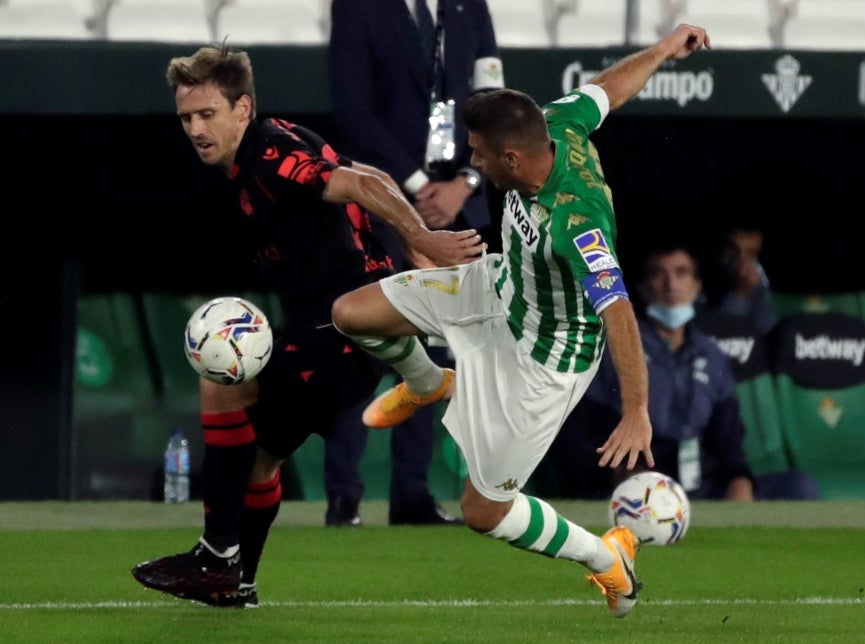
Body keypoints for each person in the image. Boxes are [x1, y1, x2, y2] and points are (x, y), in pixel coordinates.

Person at [330, 24, 713, 618]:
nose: (471, 162)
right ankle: (430, 382)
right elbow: (606, 91)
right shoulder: (556, 121)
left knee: (483, 512)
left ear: (511, 157)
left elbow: (619, 314)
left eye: (479, 153)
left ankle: (605, 558)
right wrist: (663, 50)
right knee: (350, 313)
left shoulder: (577, 221)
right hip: (495, 286)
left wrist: (637, 412)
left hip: (543, 362)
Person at [131, 43, 483, 608]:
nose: (196, 129)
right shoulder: (279, 136)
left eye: (207, 114)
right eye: (187, 118)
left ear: (242, 109)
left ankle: (218, 557)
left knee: (223, 383)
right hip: (338, 332)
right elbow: (366, 173)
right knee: (258, 456)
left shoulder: (269, 159)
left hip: (338, 336)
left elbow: (362, 185)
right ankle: (234, 580)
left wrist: (421, 240)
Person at [325, 0, 506, 526]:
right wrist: (417, 189)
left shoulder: (469, 7)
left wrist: (466, 183)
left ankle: (412, 493)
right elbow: (353, 110)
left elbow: (495, 104)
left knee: (440, 344)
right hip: (383, 202)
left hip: (457, 203)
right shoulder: (358, 7)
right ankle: (344, 495)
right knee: (367, 343)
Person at [544, 242, 819, 501]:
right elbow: (581, 430)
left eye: (681, 273)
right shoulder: (617, 347)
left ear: (697, 286)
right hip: (635, 480)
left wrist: (739, 477)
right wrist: (620, 473)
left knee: (799, 486)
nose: (671, 285)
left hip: (700, 482)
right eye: (658, 274)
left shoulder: (711, 354)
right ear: (642, 288)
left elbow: (728, 436)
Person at [700, 224, 777, 334]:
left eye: (751, 253)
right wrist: (739, 294)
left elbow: (767, 330)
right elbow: (721, 335)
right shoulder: (698, 274)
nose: (741, 260)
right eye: (733, 250)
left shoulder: (756, 278)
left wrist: (742, 292)